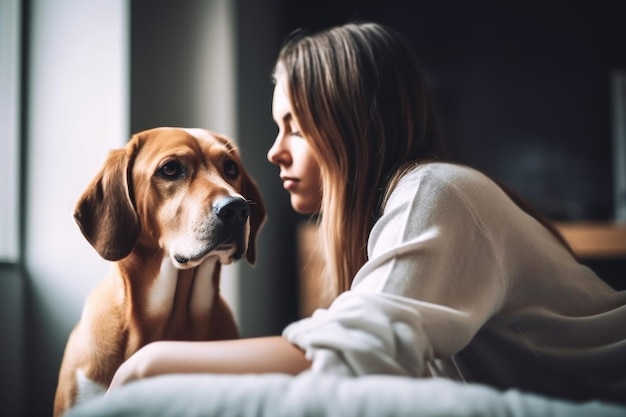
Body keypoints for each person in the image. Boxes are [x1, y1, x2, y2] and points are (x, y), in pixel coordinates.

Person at [108, 21, 626, 404]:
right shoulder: (416, 205)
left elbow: (352, 354)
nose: (272, 152)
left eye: (293, 124)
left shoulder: (435, 191)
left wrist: (148, 365)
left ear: (346, 124)